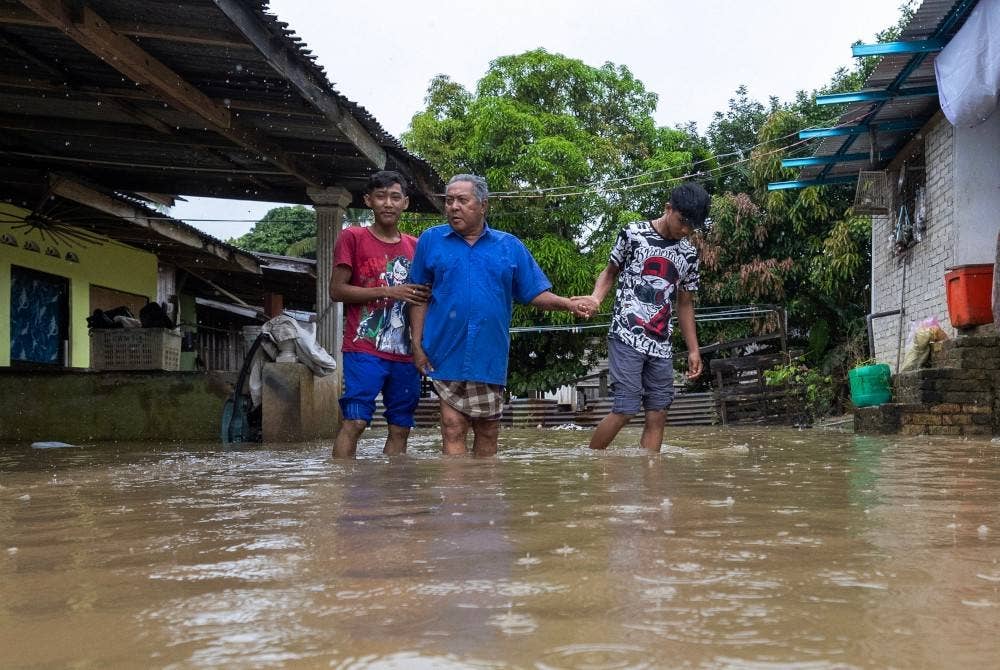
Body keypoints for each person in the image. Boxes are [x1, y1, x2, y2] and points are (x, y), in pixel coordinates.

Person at [408, 174, 593, 457]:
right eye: (449, 201)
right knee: (452, 426)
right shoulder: (431, 241)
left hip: (488, 353)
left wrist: (567, 304)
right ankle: (455, 501)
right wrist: (417, 344)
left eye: (462, 200)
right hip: (443, 350)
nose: (453, 207)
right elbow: (418, 295)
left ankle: (483, 495)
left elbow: (533, 293)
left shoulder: (509, 246)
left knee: (487, 429)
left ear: (483, 205)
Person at [576, 182, 711, 452]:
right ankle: (591, 463)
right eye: (683, 222)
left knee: (658, 412)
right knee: (625, 409)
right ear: (668, 208)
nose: (685, 231)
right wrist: (596, 298)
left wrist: (694, 350)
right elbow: (610, 272)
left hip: (661, 343)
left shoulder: (689, 255)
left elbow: (685, 304)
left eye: (692, 227)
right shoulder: (633, 234)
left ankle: (651, 480)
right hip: (626, 334)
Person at [329, 170, 430, 458]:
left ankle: (393, 495)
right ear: (368, 201)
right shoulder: (353, 237)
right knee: (356, 421)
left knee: (401, 427)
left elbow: (420, 299)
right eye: (381, 196)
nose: (388, 203)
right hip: (364, 347)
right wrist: (389, 292)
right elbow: (336, 291)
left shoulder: (416, 246)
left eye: (395, 197)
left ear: (405, 203)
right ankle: (342, 491)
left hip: (404, 353)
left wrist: (418, 346)